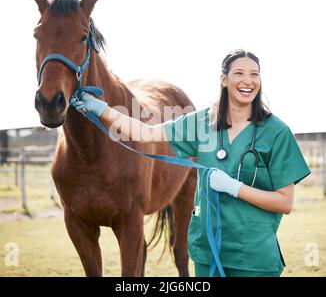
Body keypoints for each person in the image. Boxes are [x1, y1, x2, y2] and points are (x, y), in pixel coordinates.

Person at [70, 49, 311, 277]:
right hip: (206, 255)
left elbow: (285, 202)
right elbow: (145, 133)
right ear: (224, 79)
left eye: (254, 74)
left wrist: (235, 188)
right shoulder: (202, 122)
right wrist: (100, 108)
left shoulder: (276, 133)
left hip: (253, 259)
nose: (248, 81)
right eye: (239, 73)